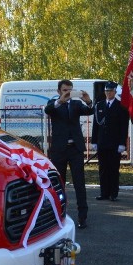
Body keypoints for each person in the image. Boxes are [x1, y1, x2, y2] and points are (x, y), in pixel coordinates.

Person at [45, 79, 94, 228]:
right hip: (59, 150)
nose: (68, 93)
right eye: (65, 90)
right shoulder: (54, 104)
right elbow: (48, 111)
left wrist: (89, 101)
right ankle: (59, 213)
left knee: (79, 183)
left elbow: (89, 111)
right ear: (59, 91)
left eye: (70, 90)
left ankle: (82, 216)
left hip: (75, 150)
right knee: (58, 184)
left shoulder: (76, 104)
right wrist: (60, 101)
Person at [90, 81, 129, 202]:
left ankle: (113, 193)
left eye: (111, 91)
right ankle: (104, 193)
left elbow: (123, 126)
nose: (108, 93)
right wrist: (94, 141)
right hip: (102, 143)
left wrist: (122, 143)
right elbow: (96, 125)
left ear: (115, 92)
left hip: (115, 144)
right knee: (103, 169)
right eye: (107, 91)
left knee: (113, 169)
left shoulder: (121, 106)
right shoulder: (99, 105)